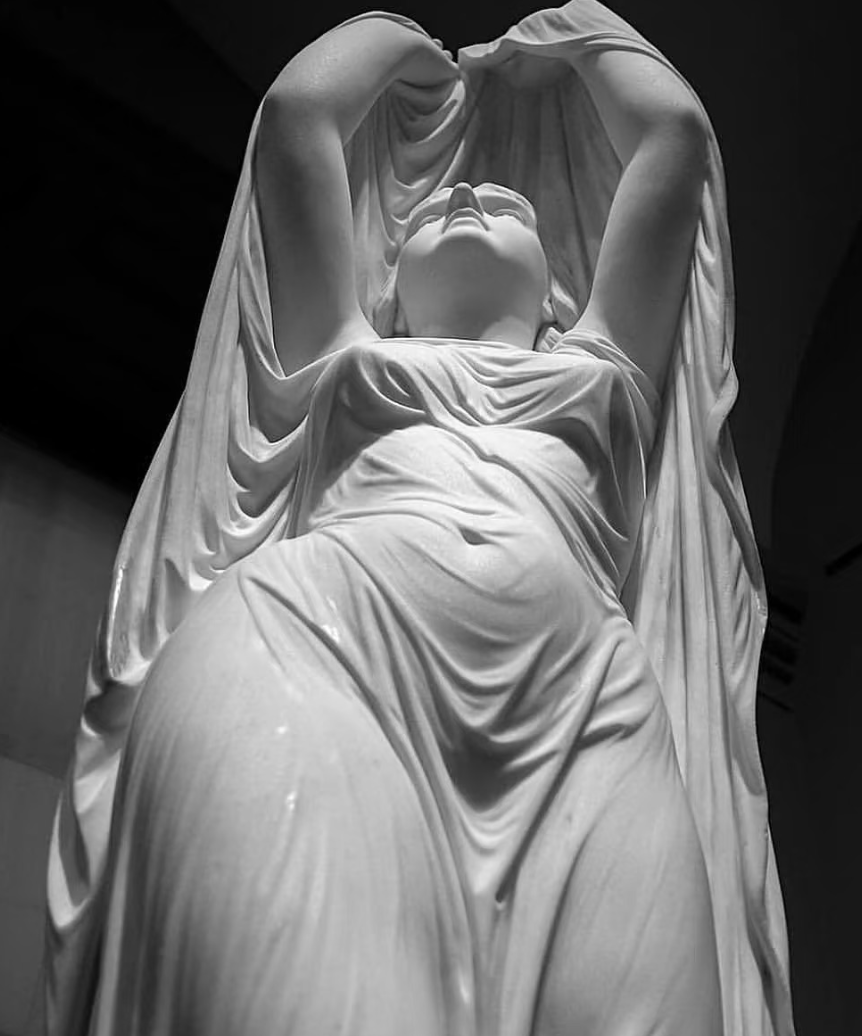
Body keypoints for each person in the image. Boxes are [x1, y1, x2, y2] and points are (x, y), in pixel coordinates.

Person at [46, 4, 795, 1035]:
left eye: (503, 204)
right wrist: (399, 38)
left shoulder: (603, 371)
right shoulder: (345, 358)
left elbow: (672, 141)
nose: (472, 191)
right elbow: (301, 119)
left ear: (553, 298)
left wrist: (576, 37)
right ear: (389, 292)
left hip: (586, 709)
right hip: (314, 654)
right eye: (437, 205)